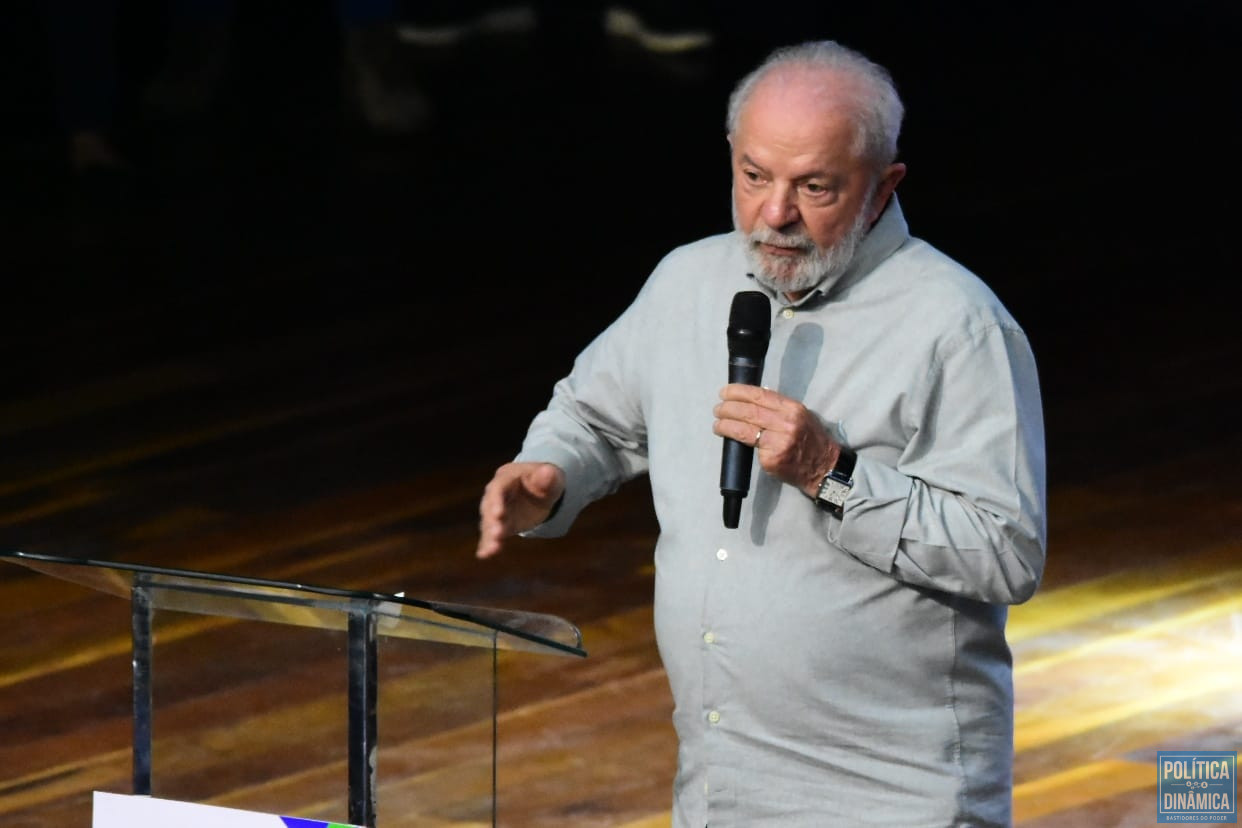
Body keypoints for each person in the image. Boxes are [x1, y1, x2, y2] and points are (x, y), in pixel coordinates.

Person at [476, 40, 1046, 827]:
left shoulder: (956, 327)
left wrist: (832, 472)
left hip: (892, 796)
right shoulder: (688, 282)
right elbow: (593, 416)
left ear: (884, 188)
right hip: (722, 785)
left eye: (814, 187)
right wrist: (551, 471)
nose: (774, 214)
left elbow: (1006, 551)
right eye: (753, 177)